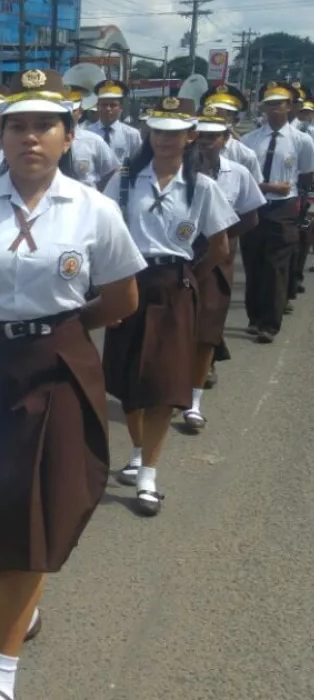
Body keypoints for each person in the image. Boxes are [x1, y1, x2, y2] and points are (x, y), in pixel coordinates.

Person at [0, 69, 144, 700]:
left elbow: (122, 297)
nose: (30, 137)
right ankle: (11, 609)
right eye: (17, 125)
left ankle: (2, 669)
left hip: (59, 367)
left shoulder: (95, 210)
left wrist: (66, 329)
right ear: (3, 134)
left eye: (45, 125)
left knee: (36, 508)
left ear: (69, 137)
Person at [103, 95, 237, 517]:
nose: (165, 138)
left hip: (173, 287)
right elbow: (103, 237)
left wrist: (190, 279)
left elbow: (220, 246)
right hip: (129, 284)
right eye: (158, 130)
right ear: (149, 133)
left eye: (174, 131)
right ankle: (139, 451)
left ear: (190, 136)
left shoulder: (202, 186)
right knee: (128, 386)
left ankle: (148, 476)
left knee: (162, 386)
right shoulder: (123, 179)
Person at [182, 108, 263, 428]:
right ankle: (174, 387)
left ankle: (194, 400)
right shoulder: (179, 172)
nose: (205, 142)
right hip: (182, 255)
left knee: (207, 328)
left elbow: (251, 216)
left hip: (217, 257)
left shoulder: (238, 173)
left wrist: (222, 238)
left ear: (225, 139)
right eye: (200, 135)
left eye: (212, 136)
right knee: (178, 326)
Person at [239, 81, 314, 342]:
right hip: (255, 204)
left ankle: (269, 323)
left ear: (290, 106)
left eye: (279, 104)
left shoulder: (302, 141)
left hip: (283, 208)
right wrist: (268, 186)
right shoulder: (250, 140)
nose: (274, 110)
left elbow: (305, 175)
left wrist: (298, 203)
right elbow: (244, 177)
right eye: (269, 105)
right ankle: (254, 316)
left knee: (276, 265)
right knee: (254, 263)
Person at [82, 79, 143, 165]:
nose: (108, 109)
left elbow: (138, 162)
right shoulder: (87, 133)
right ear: (97, 106)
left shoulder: (132, 134)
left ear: (121, 107)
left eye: (113, 105)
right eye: (104, 105)